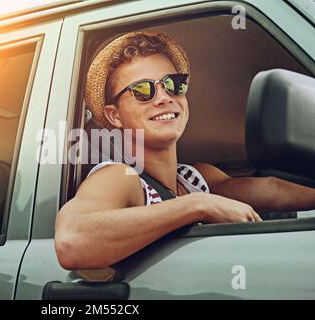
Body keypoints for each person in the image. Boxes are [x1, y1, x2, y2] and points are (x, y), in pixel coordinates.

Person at [54, 31, 315, 270]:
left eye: (173, 84)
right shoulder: (120, 177)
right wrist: (198, 205)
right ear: (114, 116)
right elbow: (71, 242)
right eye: (143, 90)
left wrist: (200, 198)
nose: (164, 97)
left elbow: (274, 190)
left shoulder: (196, 178)